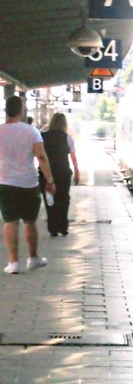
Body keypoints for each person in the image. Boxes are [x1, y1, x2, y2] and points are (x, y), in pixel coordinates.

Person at [0, 96, 55, 274]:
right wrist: (50, 180)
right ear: (22, 110)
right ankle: (33, 259)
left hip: (5, 182)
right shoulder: (31, 131)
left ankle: (13, 263)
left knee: (10, 221)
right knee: (30, 221)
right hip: (29, 184)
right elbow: (41, 157)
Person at [40, 112, 79, 237]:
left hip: (46, 173)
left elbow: (39, 155)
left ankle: (53, 228)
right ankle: (63, 226)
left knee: (50, 200)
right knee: (63, 199)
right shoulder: (67, 138)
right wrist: (77, 171)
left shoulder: (42, 137)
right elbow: (73, 156)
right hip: (63, 173)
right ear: (64, 124)